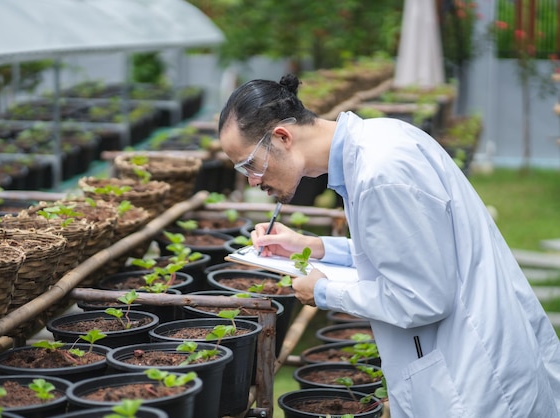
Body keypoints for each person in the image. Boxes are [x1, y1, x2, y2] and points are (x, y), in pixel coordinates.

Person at [217, 73, 560, 417]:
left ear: (282, 136)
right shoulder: (377, 141)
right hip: (471, 360)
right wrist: (314, 246)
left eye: (250, 164)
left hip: (475, 382)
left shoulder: (381, 174)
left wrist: (323, 292)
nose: (252, 180)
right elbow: (408, 255)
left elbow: (422, 297)